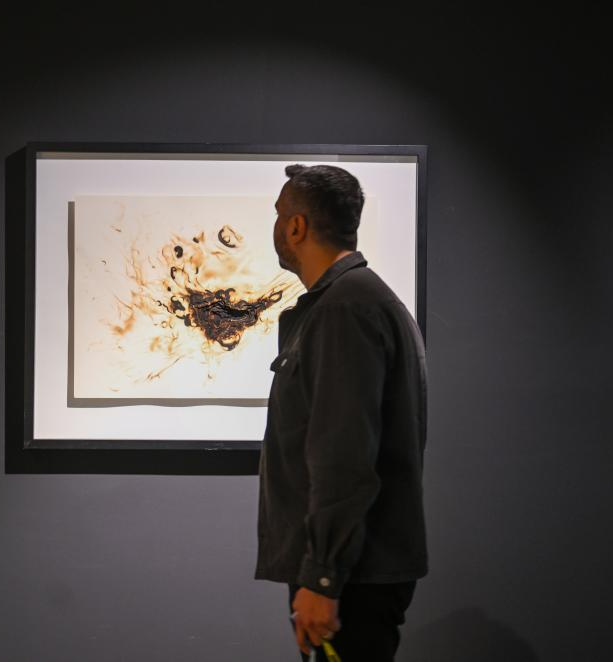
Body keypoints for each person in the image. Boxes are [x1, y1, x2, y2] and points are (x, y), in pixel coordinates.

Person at [256, 164, 429, 661]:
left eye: (278, 215)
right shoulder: (357, 300)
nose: (276, 226)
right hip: (357, 570)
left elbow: (343, 455)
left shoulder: (345, 309)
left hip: (352, 578)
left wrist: (323, 577)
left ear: (296, 226)